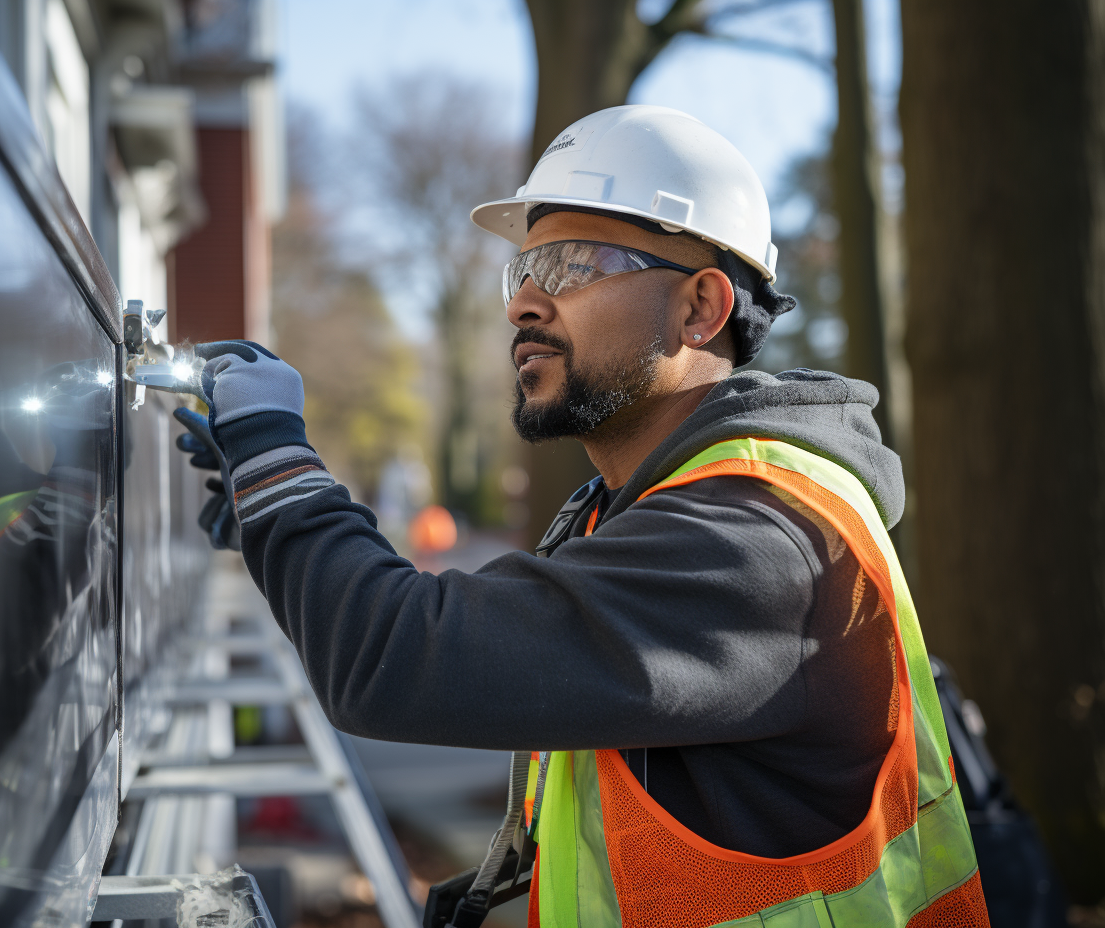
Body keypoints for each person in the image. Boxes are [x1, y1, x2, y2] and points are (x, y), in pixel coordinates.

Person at [175, 105, 989, 927]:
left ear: (701, 308)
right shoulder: (647, 509)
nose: (523, 304)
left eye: (567, 267)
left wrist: (275, 459)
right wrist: (269, 518)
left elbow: (391, 657)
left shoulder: (755, 538)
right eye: (520, 273)